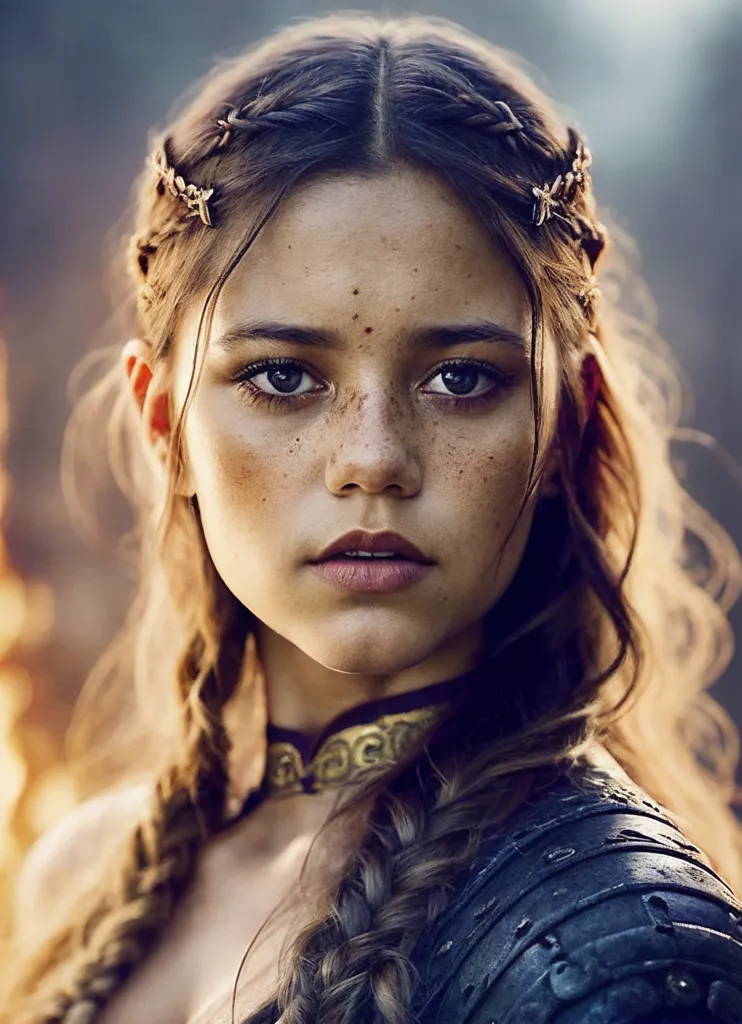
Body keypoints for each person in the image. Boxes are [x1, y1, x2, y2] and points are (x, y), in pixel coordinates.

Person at [3, 10, 742, 1024]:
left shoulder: (617, 947)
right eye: (281, 375)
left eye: (459, 377)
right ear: (163, 423)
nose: (373, 460)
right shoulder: (76, 879)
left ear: (564, 424)